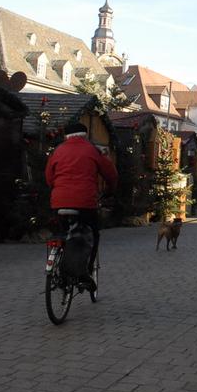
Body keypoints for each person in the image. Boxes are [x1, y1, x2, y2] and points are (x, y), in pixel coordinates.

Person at [45, 122, 118, 289]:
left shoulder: (58, 150)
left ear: (66, 136)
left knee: (63, 233)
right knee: (92, 234)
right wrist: (110, 191)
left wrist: (57, 191)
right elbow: (111, 174)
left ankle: (60, 264)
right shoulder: (92, 150)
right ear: (85, 135)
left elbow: (49, 177)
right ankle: (86, 272)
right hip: (85, 203)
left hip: (59, 202)